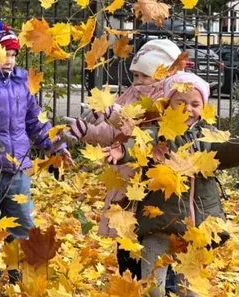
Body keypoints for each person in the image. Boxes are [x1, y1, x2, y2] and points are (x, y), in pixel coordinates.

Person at [103, 72, 239, 297]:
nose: (188, 108)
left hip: (196, 226)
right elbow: (141, 145)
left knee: (190, 289)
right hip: (161, 224)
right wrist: (122, 150)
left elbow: (225, 150)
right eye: (180, 102)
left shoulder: (207, 136)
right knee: (153, 287)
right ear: (168, 104)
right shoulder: (159, 133)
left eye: (195, 103)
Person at [0, 19, 73, 295]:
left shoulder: (22, 84)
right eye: (3, 54)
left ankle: (19, 277)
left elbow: (35, 121)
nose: (9, 60)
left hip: (18, 169)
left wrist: (53, 146)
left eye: (13, 54)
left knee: (22, 223)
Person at [66, 39, 181, 286]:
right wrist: (86, 130)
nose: (138, 80)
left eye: (144, 76)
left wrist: (113, 114)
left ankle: (159, 286)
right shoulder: (132, 93)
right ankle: (129, 285)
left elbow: (141, 131)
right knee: (126, 241)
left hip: (154, 185)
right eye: (136, 74)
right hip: (126, 180)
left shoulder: (170, 99)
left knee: (159, 248)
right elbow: (112, 133)